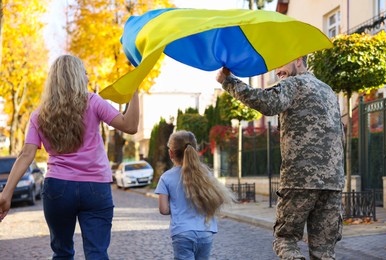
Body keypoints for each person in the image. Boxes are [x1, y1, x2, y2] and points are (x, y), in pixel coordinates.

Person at [0, 54, 139, 260]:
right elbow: (130, 126)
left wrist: (6, 194)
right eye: (84, 73)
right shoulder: (93, 102)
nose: (88, 78)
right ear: (76, 76)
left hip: (58, 188)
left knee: (62, 252)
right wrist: (135, 88)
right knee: (97, 253)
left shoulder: (40, 114)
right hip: (95, 187)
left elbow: (26, 155)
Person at [216, 57, 345, 260]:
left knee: (285, 240)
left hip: (300, 180)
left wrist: (228, 81)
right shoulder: (328, 90)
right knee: (324, 252)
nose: (277, 71)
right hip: (333, 183)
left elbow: (266, 102)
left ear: (298, 60)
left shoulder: (294, 84)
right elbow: (341, 135)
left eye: (281, 63)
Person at [155, 130, 234, 260]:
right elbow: (219, 199)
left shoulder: (166, 178)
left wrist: (177, 206)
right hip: (206, 232)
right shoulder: (206, 174)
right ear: (195, 150)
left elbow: (163, 210)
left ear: (171, 153)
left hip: (182, 233)